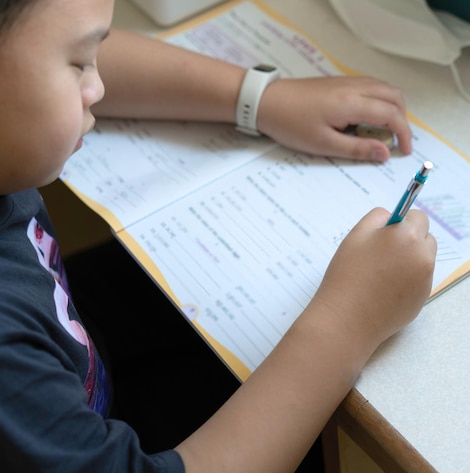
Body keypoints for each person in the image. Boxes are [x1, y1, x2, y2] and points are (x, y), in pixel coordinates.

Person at [0, 0, 437, 472]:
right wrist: (351, 318)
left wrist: (258, 98)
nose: (98, 87)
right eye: (78, 65)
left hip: (82, 352)